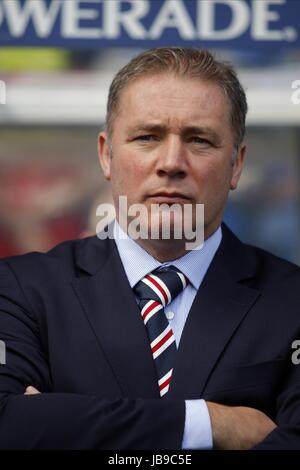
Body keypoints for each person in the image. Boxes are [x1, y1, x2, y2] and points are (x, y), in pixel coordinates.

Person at [0, 47, 299, 450]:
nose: (171, 162)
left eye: (199, 140)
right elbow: (7, 424)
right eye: (147, 137)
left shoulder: (292, 300)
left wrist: (62, 419)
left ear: (237, 164)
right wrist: (212, 423)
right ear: (106, 154)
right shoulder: (20, 289)